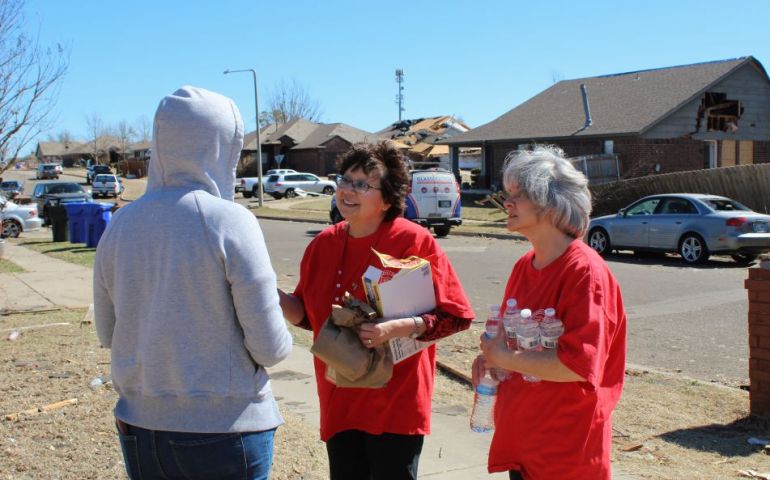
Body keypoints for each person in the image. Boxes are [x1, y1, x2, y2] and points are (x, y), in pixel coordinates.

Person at [93, 86, 292, 480]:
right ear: (222, 147)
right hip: (226, 428)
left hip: (141, 425)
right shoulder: (229, 220)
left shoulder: (121, 224)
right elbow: (271, 347)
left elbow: (106, 331)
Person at [279, 142, 474, 480]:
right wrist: (266, 289)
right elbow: (308, 317)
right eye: (345, 180)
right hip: (340, 397)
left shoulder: (414, 241)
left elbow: (455, 316)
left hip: (395, 402)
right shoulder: (322, 245)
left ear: (387, 199)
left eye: (362, 184)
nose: (347, 190)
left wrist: (400, 327)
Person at [472, 145, 627, 479]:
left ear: (550, 202)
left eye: (518, 194)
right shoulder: (523, 266)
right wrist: (491, 364)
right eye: (508, 194)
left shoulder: (585, 272)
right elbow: (513, 346)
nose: (507, 203)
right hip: (524, 443)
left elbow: (577, 366)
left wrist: (504, 359)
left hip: (565, 454)